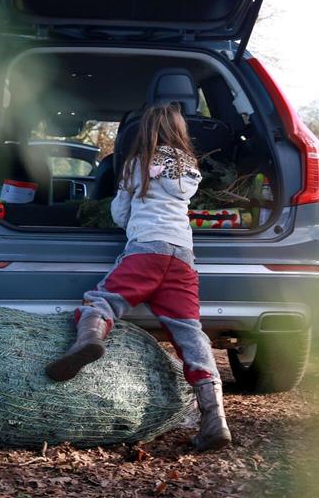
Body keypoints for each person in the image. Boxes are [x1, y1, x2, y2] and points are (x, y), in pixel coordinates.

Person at [45, 102, 232, 452]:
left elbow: (119, 213)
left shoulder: (138, 163)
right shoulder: (190, 169)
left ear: (145, 132)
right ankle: (215, 419)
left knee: (103, 300)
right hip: (182, 259)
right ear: (180, 132)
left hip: (147, 250)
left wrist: (125, 208)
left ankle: (88, 341)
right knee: (191, 333)